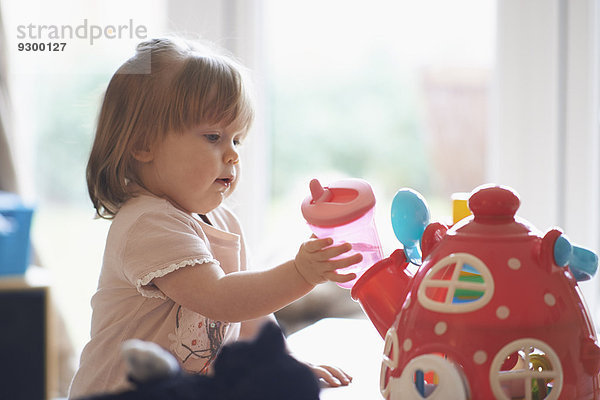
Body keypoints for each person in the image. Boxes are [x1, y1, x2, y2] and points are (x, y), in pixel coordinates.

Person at [68, 37, 360, 398]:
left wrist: (283, 362)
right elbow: (220, 298)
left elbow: (251, 314)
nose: (233, 155)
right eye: (213, 136)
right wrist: (300, 273)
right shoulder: (146, 223)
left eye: (237, 140)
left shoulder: (221, 220)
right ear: (143, 144)